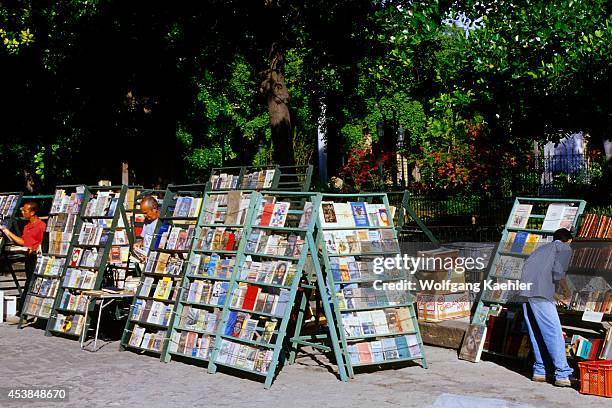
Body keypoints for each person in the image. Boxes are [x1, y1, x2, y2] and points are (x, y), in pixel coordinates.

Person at [519, 228, 574, 387]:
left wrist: (555, 296)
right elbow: (558, 273)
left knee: (536, 332)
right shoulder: (564, 247)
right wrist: (567, 292)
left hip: (525, 292)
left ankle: (540, 370)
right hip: (540, 294)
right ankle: (562, 374)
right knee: (554, 332)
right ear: (568, 240)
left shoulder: (541, 249)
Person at [0, 202, 46, 318]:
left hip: (36, 257)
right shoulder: (27, 227)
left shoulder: (41, 226)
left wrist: (35, 249)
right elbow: (24, 242)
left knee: (30, 283)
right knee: (29, 282)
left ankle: (22, 310)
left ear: (32, 213)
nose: (22, 212)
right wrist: (7, 232)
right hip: (28, 257)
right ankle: (23, 310)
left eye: (25, 211)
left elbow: (42, 243)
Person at [132, 195, 160, 262]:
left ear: (154, 209)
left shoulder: (162, 221)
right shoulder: (147, 220)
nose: (144, 215)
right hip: (146, 257)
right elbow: (144, 239)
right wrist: (139, 244)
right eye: (143, 213)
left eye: (146, 213)